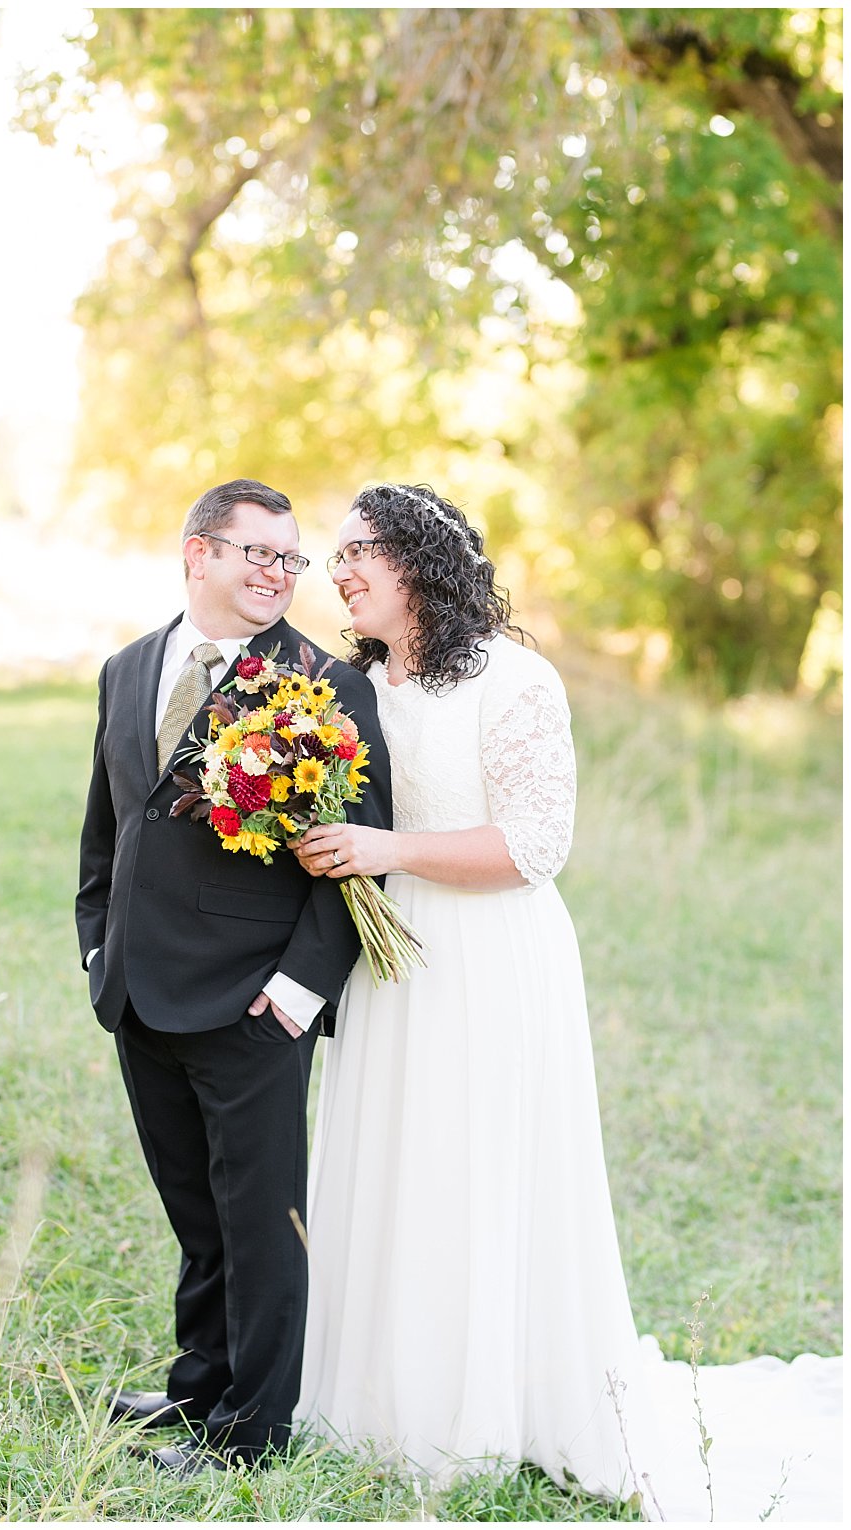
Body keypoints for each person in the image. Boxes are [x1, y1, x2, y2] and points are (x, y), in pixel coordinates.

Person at [291, 483, 840, 1519]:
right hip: (390, 962)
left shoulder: (514, 681)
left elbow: (536, 847)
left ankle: (493, 1400)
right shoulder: (348, 689)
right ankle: (384, 1396)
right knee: (399, 1162)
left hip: (488, 956)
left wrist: (382, 850)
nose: (342, 570)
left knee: (479, 1168)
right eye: (335, 556)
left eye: (359, 549)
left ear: (418, 560)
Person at [76, 479, 393, 1475]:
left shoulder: (324, 685)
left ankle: (251, 1434)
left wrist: (298, 991)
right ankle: (196, 1389)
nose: (277, 574)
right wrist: (97, 941)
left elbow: (353, 853)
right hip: (136, 989)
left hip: (252, 1000)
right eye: (255, 552)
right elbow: (107, 826)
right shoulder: (126, 669)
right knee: (193, 1210)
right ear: (196, 554)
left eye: (288, 559)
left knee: (260, 1224)